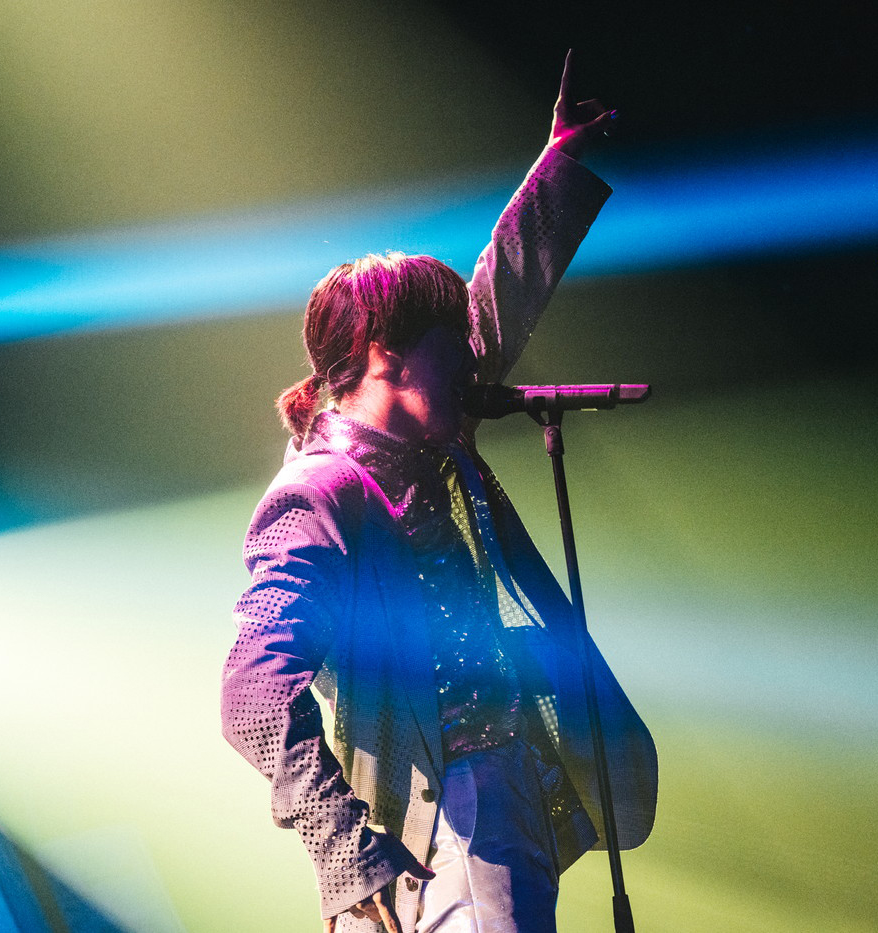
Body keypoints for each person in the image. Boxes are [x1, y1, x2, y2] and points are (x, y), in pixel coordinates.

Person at [220, 54, 657, 933]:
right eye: (450, 340)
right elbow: (252, 692)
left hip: (504, 793)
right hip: (449, 814)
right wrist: (345, 849)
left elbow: (497, 302)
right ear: (386, 355)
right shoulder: (317, 497)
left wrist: (558, 161)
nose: (472, 355)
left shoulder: (431, 429)